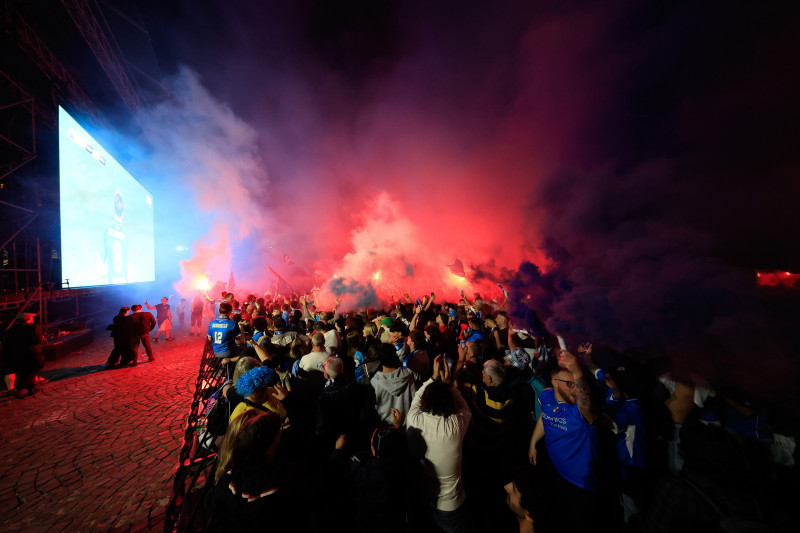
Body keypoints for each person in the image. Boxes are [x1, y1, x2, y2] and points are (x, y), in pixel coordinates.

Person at [528, 350, 599, 532]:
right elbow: (545, 415)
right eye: (569, 384)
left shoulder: (579, 412)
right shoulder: (547, 396)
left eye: (575, 384)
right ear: (554, 382)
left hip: (581, 484)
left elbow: (586, 403)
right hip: (556, 471)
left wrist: (577, 370)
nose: (574, 389)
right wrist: (533, 443)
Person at [406, 355, 473, 532]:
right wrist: (449, 385)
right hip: (450, 504)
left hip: (422, 496)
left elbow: (417, 399)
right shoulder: (456, 424)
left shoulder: (415, 420)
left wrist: (433, 378)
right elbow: (465, 408)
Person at [370, 343, 417, 425]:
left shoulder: (374, 382)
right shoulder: (408, 376)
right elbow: (415, 400)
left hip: (384, 428)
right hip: (406, 426)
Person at [2, 312, 44, 398]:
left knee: (24, 372)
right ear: (28, 320)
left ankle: (28, 388)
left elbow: (6, 344)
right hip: (31, 354)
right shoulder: (33, 328)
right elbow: (38, 340)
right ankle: (23, 389)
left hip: (17, 355)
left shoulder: (10, 331)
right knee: (35, 368)